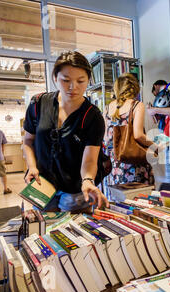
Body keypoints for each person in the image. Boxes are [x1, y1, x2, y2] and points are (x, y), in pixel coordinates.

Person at [22, 51, 108, 213]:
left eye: (80, 81)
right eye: (66, 80)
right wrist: (32, 166)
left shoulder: (92, 116)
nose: (73, 87)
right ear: (55, 78)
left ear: (88, 80)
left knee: (76, 234)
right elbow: (28, 141)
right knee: (45, 231)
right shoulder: (38, 104)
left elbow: (90, 159)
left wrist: (88, 180)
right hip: (42, 184)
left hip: (76, 189)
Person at [104, 73, 155, 186]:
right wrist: (155, 146)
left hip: (114, 166)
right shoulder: (137, 105)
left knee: (119, 201)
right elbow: (138, 135)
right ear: (135, 88)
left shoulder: (107, 108)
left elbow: (106, 138)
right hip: (133, 164)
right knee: (138, 200)